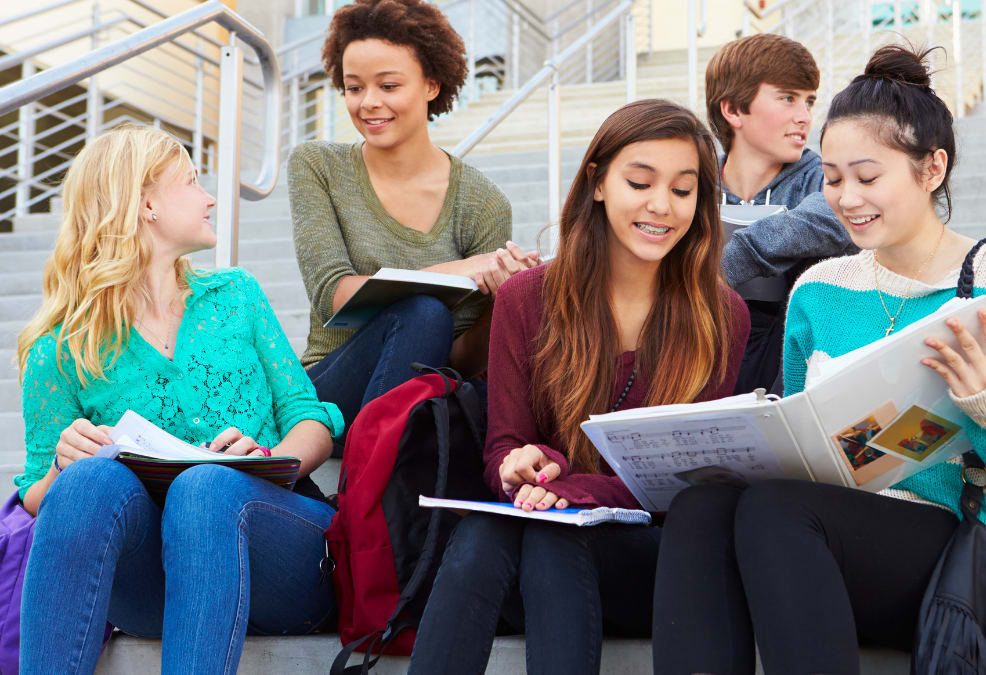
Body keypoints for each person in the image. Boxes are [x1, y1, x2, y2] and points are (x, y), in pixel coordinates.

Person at [653, 45, 986, 674]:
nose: (846, 198)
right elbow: (809, 445)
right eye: (830, 177)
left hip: (977, 547)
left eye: (867, 176)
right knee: (702, 509)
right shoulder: (819, 290)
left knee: (778, 511)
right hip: (836, 535)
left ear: (932, 169)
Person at [406, 99, 750, 675]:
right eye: (639, 182)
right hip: (536, 551)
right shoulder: (527, 299)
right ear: (596, 183)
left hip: (655, 567)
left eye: (684, 190)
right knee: (502, 526)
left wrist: (575, 488)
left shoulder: (722, 315)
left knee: (541, 532)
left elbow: (686, 485)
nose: (661, 206)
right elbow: (501, 449)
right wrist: (521, 466)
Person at [14, 125, 344, 673]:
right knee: (89, 480)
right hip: (156, 588)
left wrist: (267, 460)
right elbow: (35, 496)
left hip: (280, 562)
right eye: (192, 182)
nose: (210, 196)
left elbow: (309, 417)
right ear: (146, 204)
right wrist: (60, 463)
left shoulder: (237, 297)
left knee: (206, 486)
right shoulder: (59, 349)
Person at [290, 0, 535, 452]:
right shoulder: (317, 167)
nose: (368, 103)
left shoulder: (481, 202)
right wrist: (458, 272)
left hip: (416, 399)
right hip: (327, 395)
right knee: (423, 310)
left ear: (431, 84)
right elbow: (332, 296)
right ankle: (368, 481)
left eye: (388, 85)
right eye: (353, 87)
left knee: (430, 319)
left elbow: (459, 358)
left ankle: (378, 477)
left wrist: (502, 300)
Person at [707, 33, 856, 393]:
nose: (804, 116)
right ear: (733, 110)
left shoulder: (823, 176)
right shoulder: (694, 182)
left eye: (808, 102)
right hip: (701, 349)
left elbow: (830, 216)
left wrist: (718, 266)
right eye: (788, 99)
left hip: (789, 363)